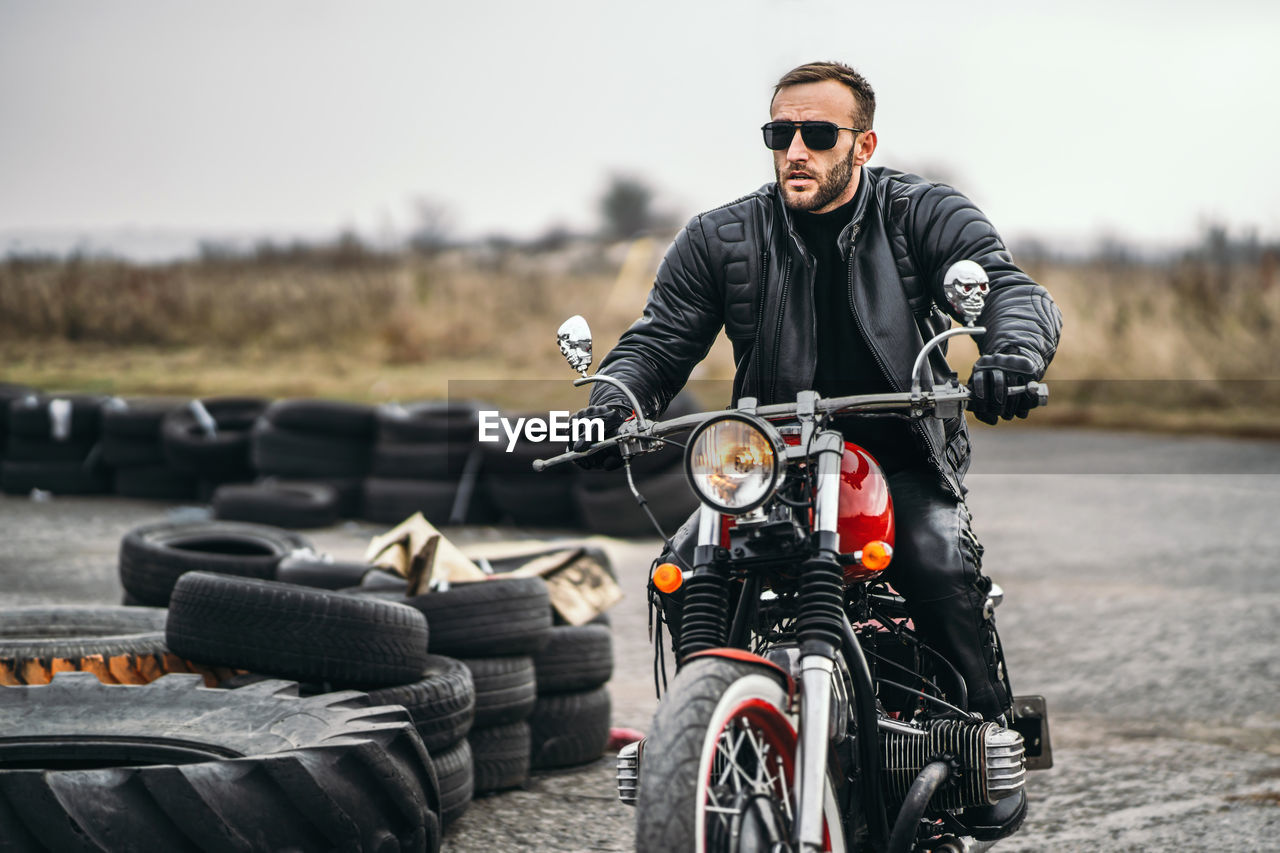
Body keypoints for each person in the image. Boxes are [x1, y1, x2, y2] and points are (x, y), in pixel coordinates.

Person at [575, 61, 1062, 839]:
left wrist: (1010, 357)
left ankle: (982, 739)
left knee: (936, 558)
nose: (795, 149)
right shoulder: (720, 236)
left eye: (817, 133)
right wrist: (614, 402)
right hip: (767, 462)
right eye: (781, 133)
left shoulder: (920, 213)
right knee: (683, 565)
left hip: (896, 455)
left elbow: (1011, 289)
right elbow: (660, 341)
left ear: (862, 144)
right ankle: (703, 734)